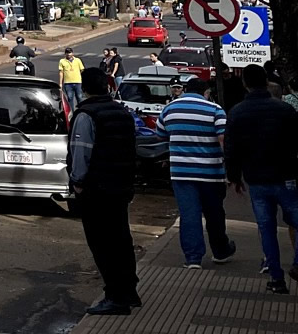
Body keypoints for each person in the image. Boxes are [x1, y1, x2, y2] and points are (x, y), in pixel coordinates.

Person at [68, 67, 140, 315]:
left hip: (97, 191)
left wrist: (77, 183)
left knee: (102, 244)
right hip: (121, 186)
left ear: (85, 88)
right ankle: (129, 291)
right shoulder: (123, 112)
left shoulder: (86, 115)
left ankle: (116, 296)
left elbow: (81, 153)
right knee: (121, 240)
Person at [225, 63, 298, 294]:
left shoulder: (237, 112)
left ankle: (276, 278)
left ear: (245, 83)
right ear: (266, 82)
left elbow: (231, 148)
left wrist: (234, 178)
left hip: (256, 179)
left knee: (266, 229)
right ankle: (297, 264)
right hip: (287, 176)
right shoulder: (285, 110)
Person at [156, 77, 236, 268]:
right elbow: (224, 139)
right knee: (215, 213)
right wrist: (230, 170)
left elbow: (160, 134)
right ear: (206, 92)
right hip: (211, 172)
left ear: (185, 90)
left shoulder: (169, 109)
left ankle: (193, 258)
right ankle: (220, 251)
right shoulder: (215, 110)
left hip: (181, 173)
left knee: (189, 214)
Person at [59, 47, 85, 114]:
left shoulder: (78, 60)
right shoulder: (62, 61)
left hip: (78, 82)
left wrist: (84, 80)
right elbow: (61, 72)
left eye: (70, 52)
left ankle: (81, 112)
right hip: (68, 83)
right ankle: (71, 114)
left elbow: (82, 70)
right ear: (65, 54)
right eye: (67, 53)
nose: (68, 54)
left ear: (72, 53)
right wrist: (60, 83)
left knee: (79, 98)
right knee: (70, 98)